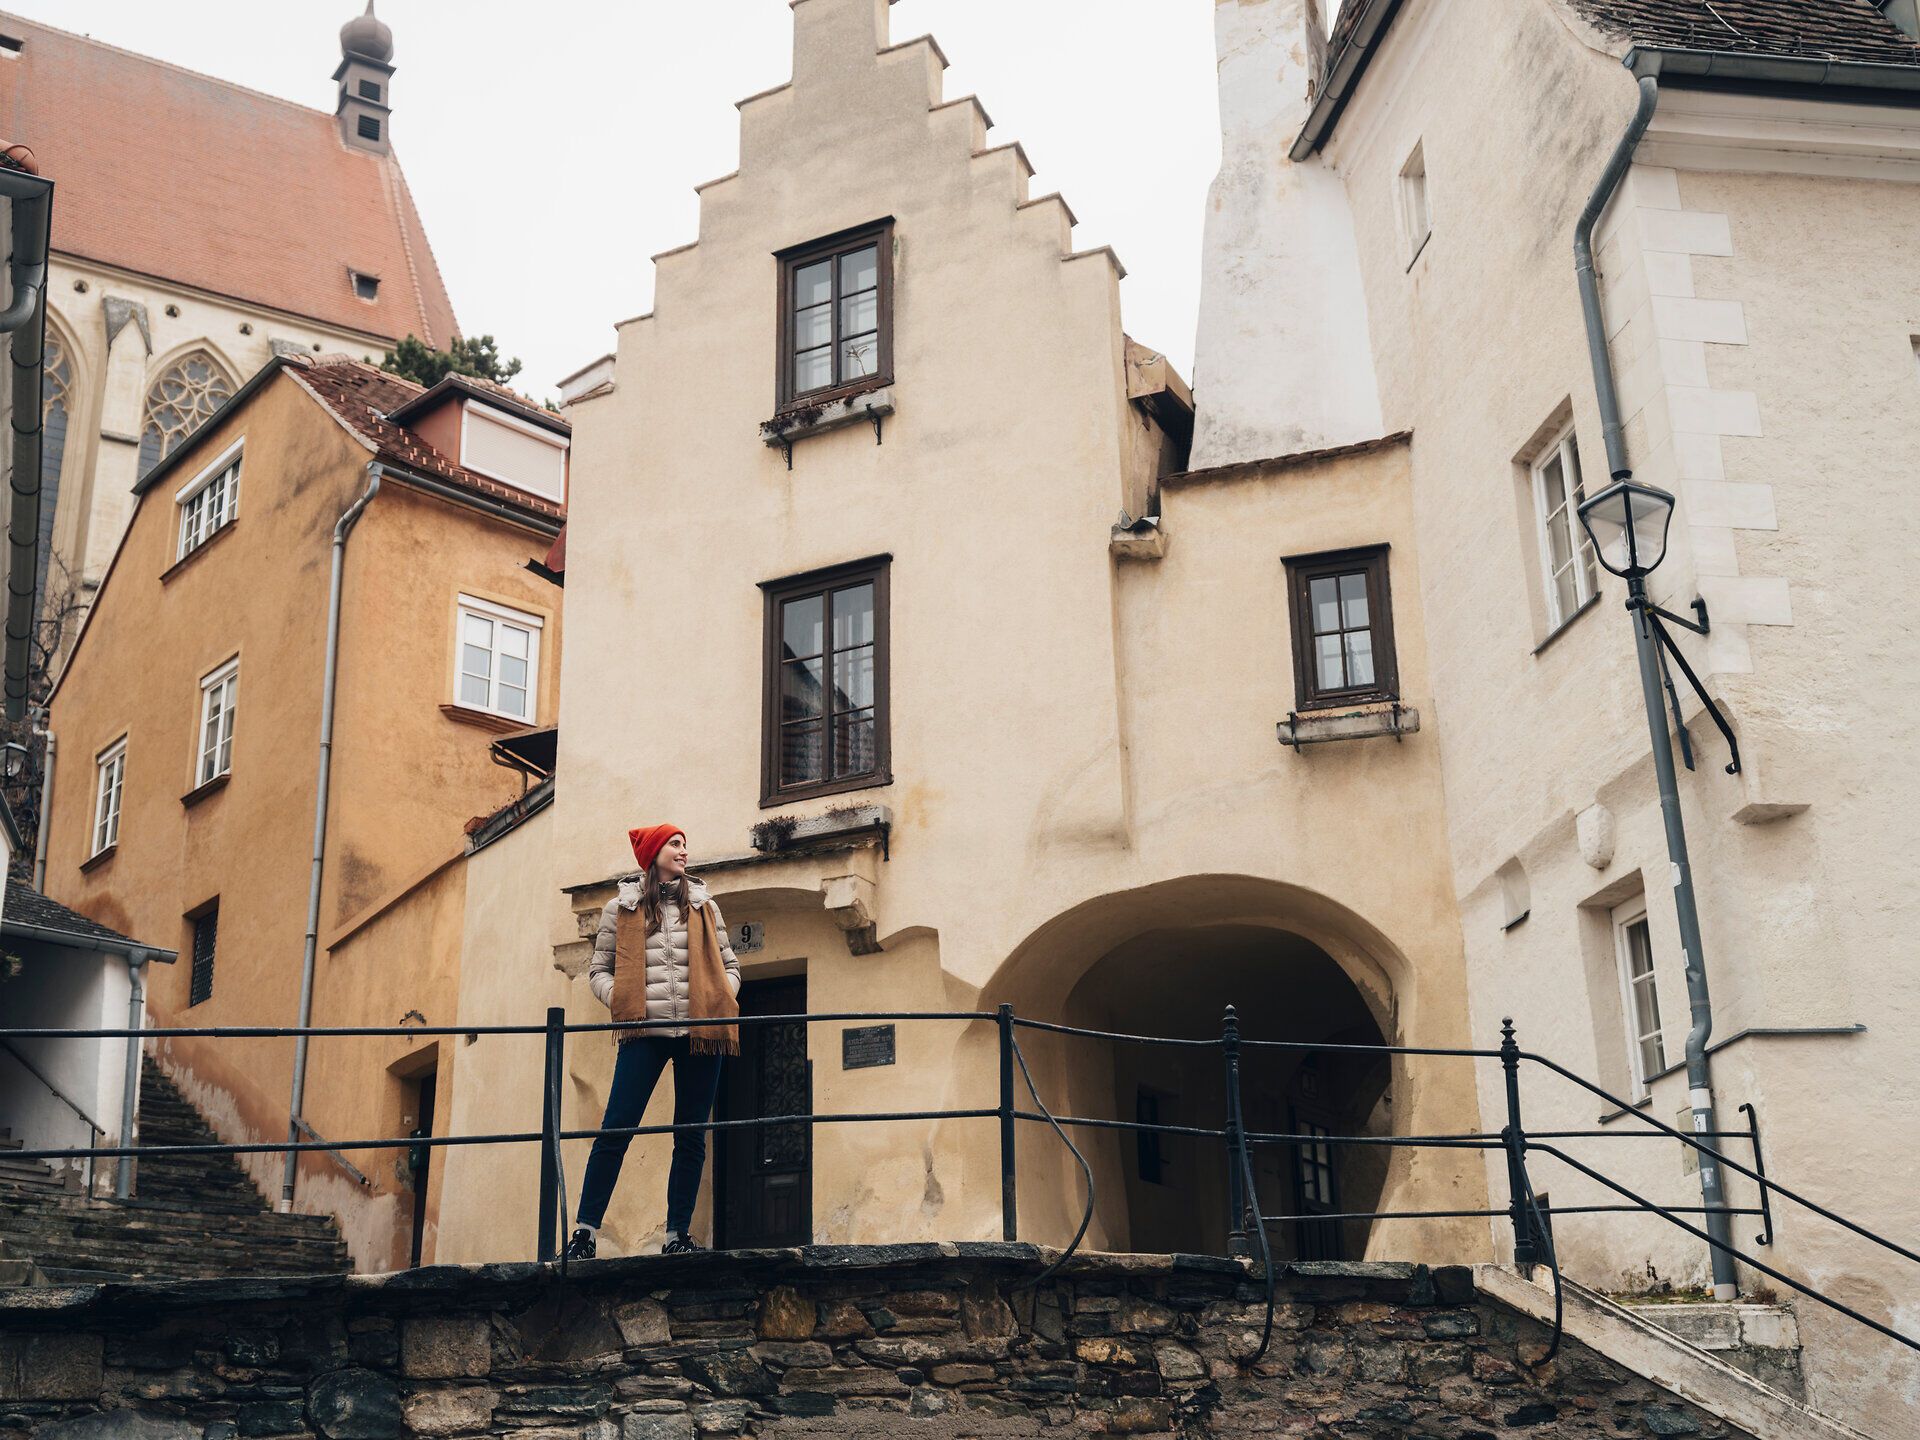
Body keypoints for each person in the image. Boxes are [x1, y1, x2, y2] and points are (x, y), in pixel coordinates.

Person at [565, 825, 740, 1259]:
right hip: (644, 1033)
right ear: (653, 853)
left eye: (684, 844)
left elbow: (731, 964)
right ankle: (584, 1234)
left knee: (691, 1135)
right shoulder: (620, 909)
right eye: (675, 844)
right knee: (615, 1130)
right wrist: (620, 1001)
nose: (684, 851)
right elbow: (598, 970)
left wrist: (722, 997)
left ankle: (676, 1236)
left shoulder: (705, 907)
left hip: (701, 1033)